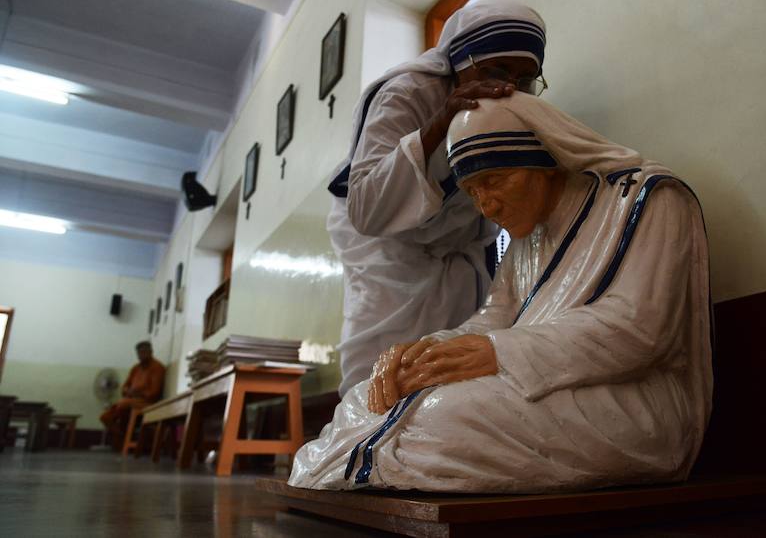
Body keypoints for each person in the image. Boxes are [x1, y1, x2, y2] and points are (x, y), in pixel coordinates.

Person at [289, 93, 712, 493]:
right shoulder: (527, 237)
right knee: (367, 396)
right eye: (473, 192)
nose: (486, 206)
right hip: (536, 385)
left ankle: (357, 461)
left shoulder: (649, 197)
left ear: (545, 159)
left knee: (443, 417)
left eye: (495, 180)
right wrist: (424, 351)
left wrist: (498, 352)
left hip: (630, 396)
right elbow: (493, 318)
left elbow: (640, 329)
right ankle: (370, 458)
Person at [327, 0, 549, 396]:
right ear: (461, 64)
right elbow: (366, 207)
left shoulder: (517, 111)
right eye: (496, 69)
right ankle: (359, 451)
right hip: (389, 254)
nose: (509, 87)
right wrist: (439, 125)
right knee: (374, 379)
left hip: (458, 258)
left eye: (526, 77)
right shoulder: (406, 93)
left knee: (448, 375)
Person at [99, 341, 165, 450]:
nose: (141, 355)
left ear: (151, 352)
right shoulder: (136, 368)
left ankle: (123, 443)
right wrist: (128, 391)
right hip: (129, 402)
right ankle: (121, 437)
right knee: (105, 417)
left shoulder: (157, 368)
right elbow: (124, 388)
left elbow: (154, 393)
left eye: (144, 352)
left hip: (147, 403)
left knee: (123, 405)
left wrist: (136, 393)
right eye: (139, 353)